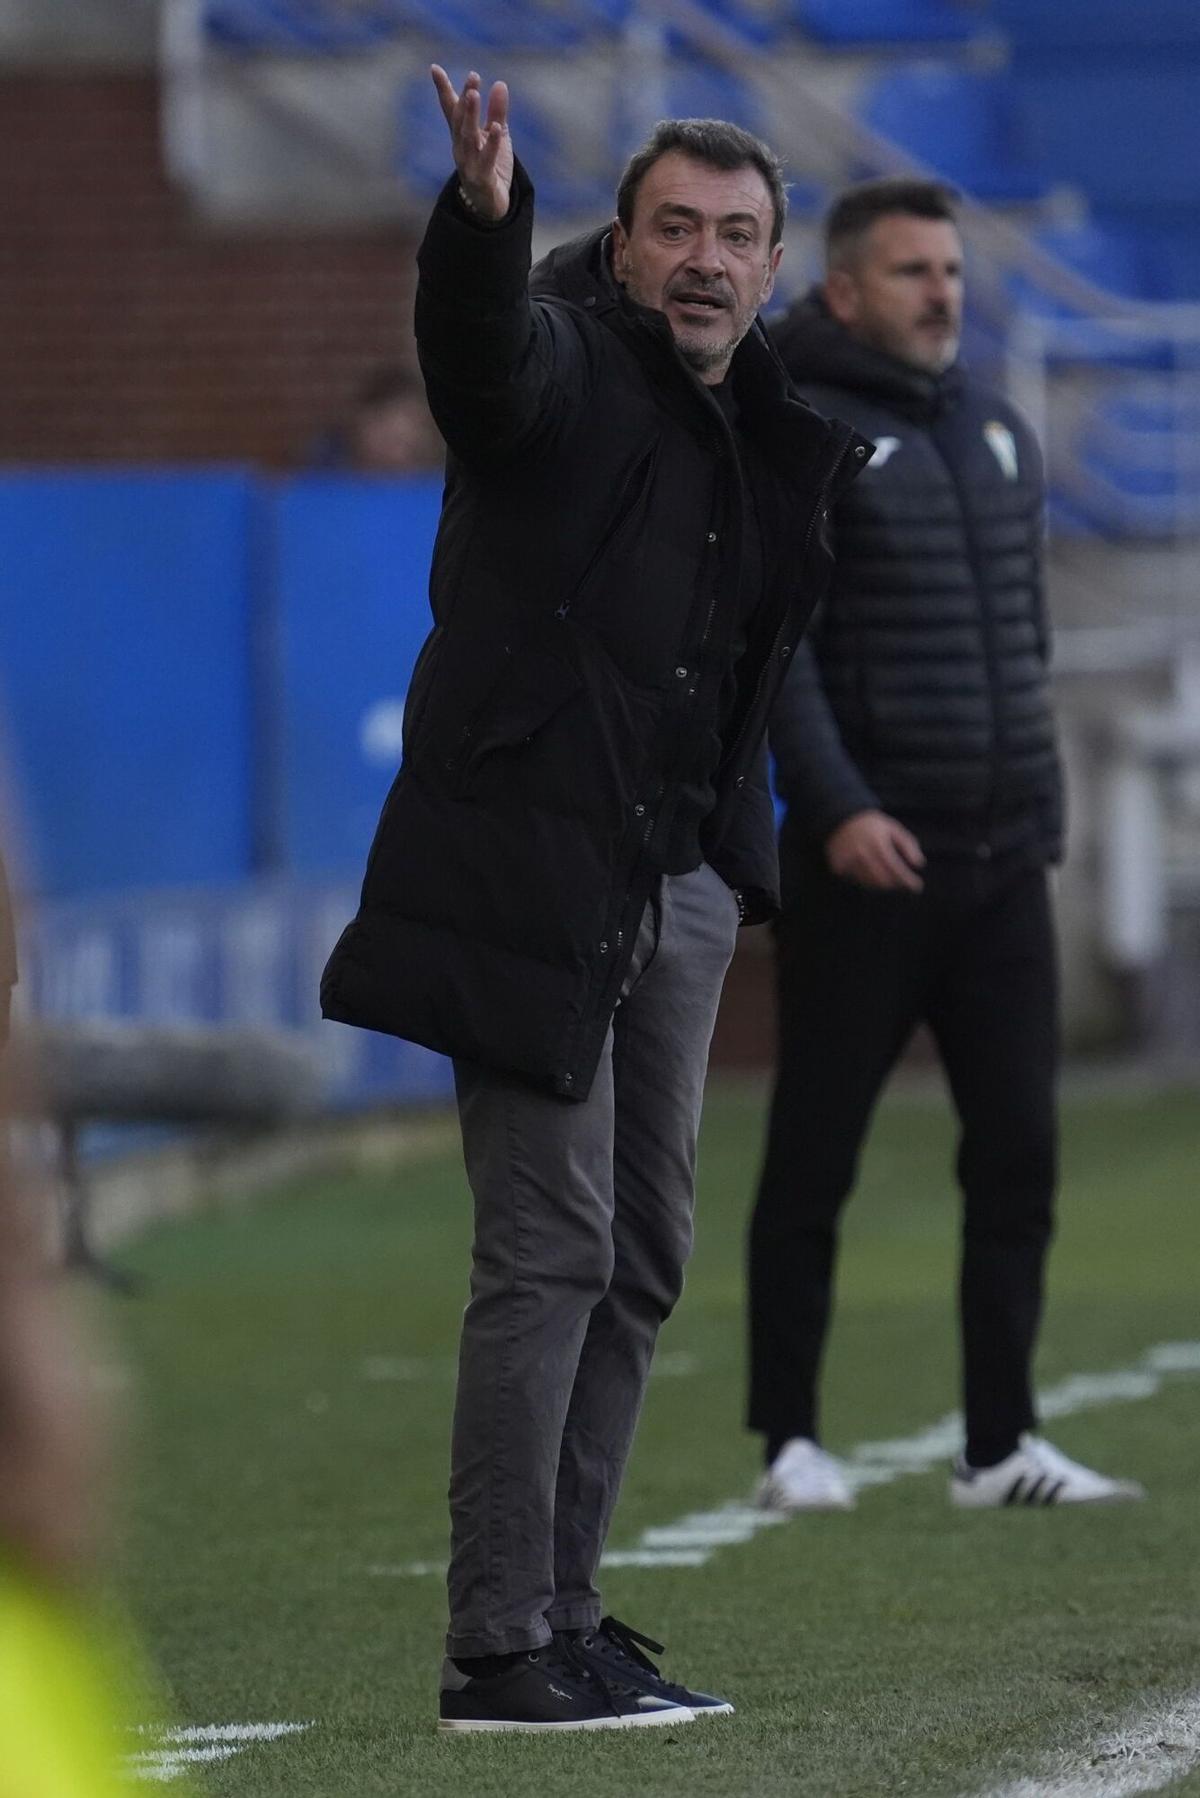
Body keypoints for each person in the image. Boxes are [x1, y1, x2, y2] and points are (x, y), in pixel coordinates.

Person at [322, 66, 868, 1729]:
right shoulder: (558, 372)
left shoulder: (767, 425)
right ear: (621, 248)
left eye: (738, 235)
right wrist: (482, 221)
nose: (706, 259)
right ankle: (498, 1645)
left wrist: (738, 844)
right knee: (551, 1246)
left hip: (682, 878)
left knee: (640, 1254)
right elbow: (478, 356)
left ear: (772, 266)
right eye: (677, 228)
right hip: (538, 875)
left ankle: (563, 1611)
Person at [748, 177, 1144, 1514]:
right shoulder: (800, 425)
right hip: (868, 855)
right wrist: (841, 804)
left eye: (953, 272)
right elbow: (780, 652)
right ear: (847, 288)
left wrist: (1039, 809)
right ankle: (789, 1438)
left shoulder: (995, 427)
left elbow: (1018, 647)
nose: (943, 294)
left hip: (999, 858)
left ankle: (1000, 1441)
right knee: (818, 1147)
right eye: (913, 271)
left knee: (1020, 1147)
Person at [309, 364, 443, 474]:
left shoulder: (446, 490)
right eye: (387, 438)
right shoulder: (326, 486)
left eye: (401, 442)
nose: (394, 455)